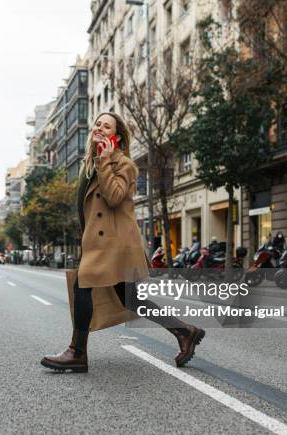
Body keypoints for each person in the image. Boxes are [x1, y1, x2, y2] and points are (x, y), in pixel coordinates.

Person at [41, 112, 205, 373]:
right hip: (98, 242)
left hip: (114, 243)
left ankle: (77, 352)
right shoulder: (91, 164)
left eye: (106, 126)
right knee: (130, 299)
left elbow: (115, 197)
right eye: (97, 123)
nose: (99, 128)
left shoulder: (123, 164)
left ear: (116, 137)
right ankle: (185, 331)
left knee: (82, 287)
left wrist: (105, 161)